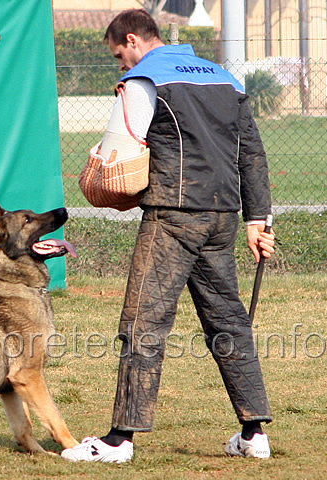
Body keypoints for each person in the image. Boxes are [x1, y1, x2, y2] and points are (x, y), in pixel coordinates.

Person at [61, 9, 276, 464]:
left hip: (172, 216)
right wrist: (259, 221)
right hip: (223, 216)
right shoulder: (226, 79)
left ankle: (119, 441)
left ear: (134, 40)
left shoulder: (144, 80)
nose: (122, 64)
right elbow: (252, 155)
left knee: (144, 325)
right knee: (230, 322)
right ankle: (254, 433)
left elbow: (120, 158)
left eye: (120, 54)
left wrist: (101, 176)